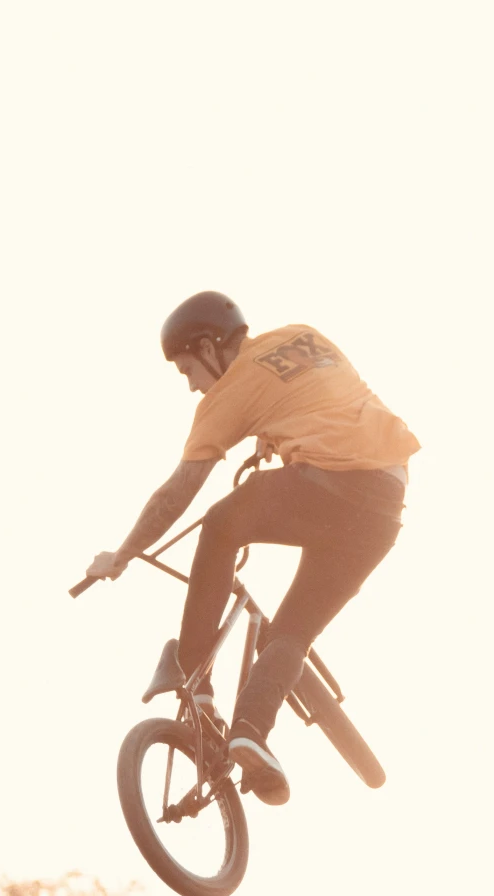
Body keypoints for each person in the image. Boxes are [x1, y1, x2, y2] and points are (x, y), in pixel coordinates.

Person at [82, 291, 417, 807]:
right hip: (384, 507)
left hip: (333, 484)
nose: (193, 386)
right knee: (290, 633)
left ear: (210, 346)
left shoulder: (226, 394)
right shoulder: (304, 335)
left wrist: (122, 554)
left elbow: (177, 493)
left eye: (189, 369)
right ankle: (251, 734)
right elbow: (314, 397)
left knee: (219, 524)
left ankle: (197, 679)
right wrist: (275, 438)